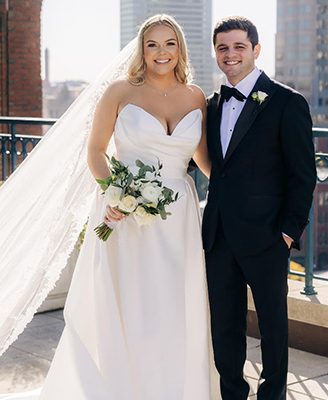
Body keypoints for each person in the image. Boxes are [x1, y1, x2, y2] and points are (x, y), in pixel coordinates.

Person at [22, 14, 211, 399]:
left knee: (175, 307)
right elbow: (95, 151)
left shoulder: (196, 97)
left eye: (169, 44)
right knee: (132, 306)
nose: (162, 52)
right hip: (126, 214)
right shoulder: (120, 92)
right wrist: (116, 195)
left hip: (180, 218)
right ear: (142, 49)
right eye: (153, 44)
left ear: (180, 49)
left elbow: (206, 163)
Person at [202, 16, 316, 400]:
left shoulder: (288, 102)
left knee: (272, 326)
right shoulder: (212, 105)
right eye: (222, 48)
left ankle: (273, 395)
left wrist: (287, 232)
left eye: (238, 47)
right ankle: (232, 392)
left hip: (267, 236)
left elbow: (303, 176)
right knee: (225, 325)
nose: (230, 55)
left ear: (255, 50)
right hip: (219, 235)